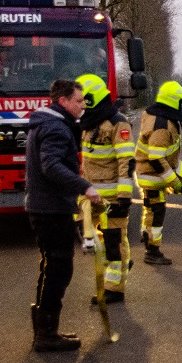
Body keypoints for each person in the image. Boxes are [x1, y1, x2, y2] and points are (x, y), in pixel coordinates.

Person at [26, 79, 102, 352]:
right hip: (51, 209)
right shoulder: (56, 128)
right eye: (79, 101)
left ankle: (44, 331)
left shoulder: (47, 124)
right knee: (59, 269)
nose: (83, 105)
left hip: (46, 207)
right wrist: (85, 186)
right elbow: (51, 166)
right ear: (63, 102)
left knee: (50, 267)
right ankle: (46, 334)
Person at [76, 74, 134, 304]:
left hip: (112, 199)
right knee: (86, 234)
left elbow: (126, 162)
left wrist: (124, 197)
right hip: (90, 197)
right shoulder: (88, 124)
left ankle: (114, 288)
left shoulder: (118, 123)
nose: (81, 105)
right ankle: (122, 264)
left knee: (113, 243)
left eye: (84, 100)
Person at [134, 80, 182, 265]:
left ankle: (147, 235)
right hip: (151, 174)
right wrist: (173, 182)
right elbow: (156, 158)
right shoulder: (161, 125)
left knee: (154, 206)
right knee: (156, 210)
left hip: (157, 170)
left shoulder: (161, 116)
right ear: (173, 101)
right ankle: (152, 250)